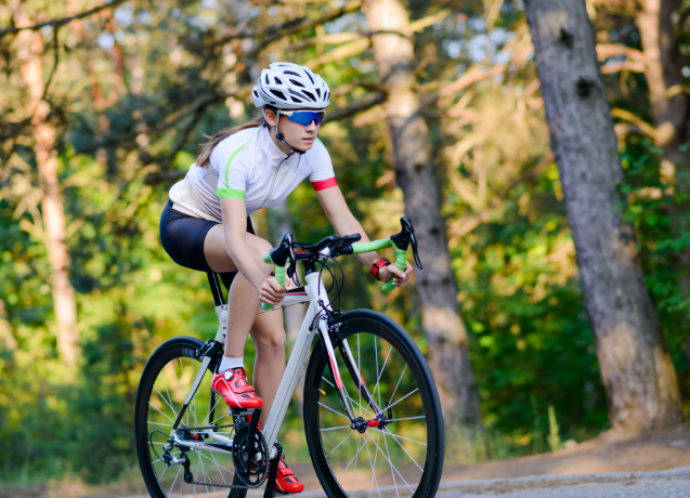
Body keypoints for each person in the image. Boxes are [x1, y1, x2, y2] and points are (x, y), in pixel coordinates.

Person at [159, 62, 413, 494]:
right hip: (188, 225)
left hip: (236, 233)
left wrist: (376, 261)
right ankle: (229, 370)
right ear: (272, 116)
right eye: (303, 116)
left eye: (320, 117)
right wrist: (260, 276)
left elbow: (343, 217)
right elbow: (239, 241)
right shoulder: (239, 153)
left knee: (275, 341)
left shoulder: (314, 151)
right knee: (259, 256)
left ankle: (262, 448)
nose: (313, 127)